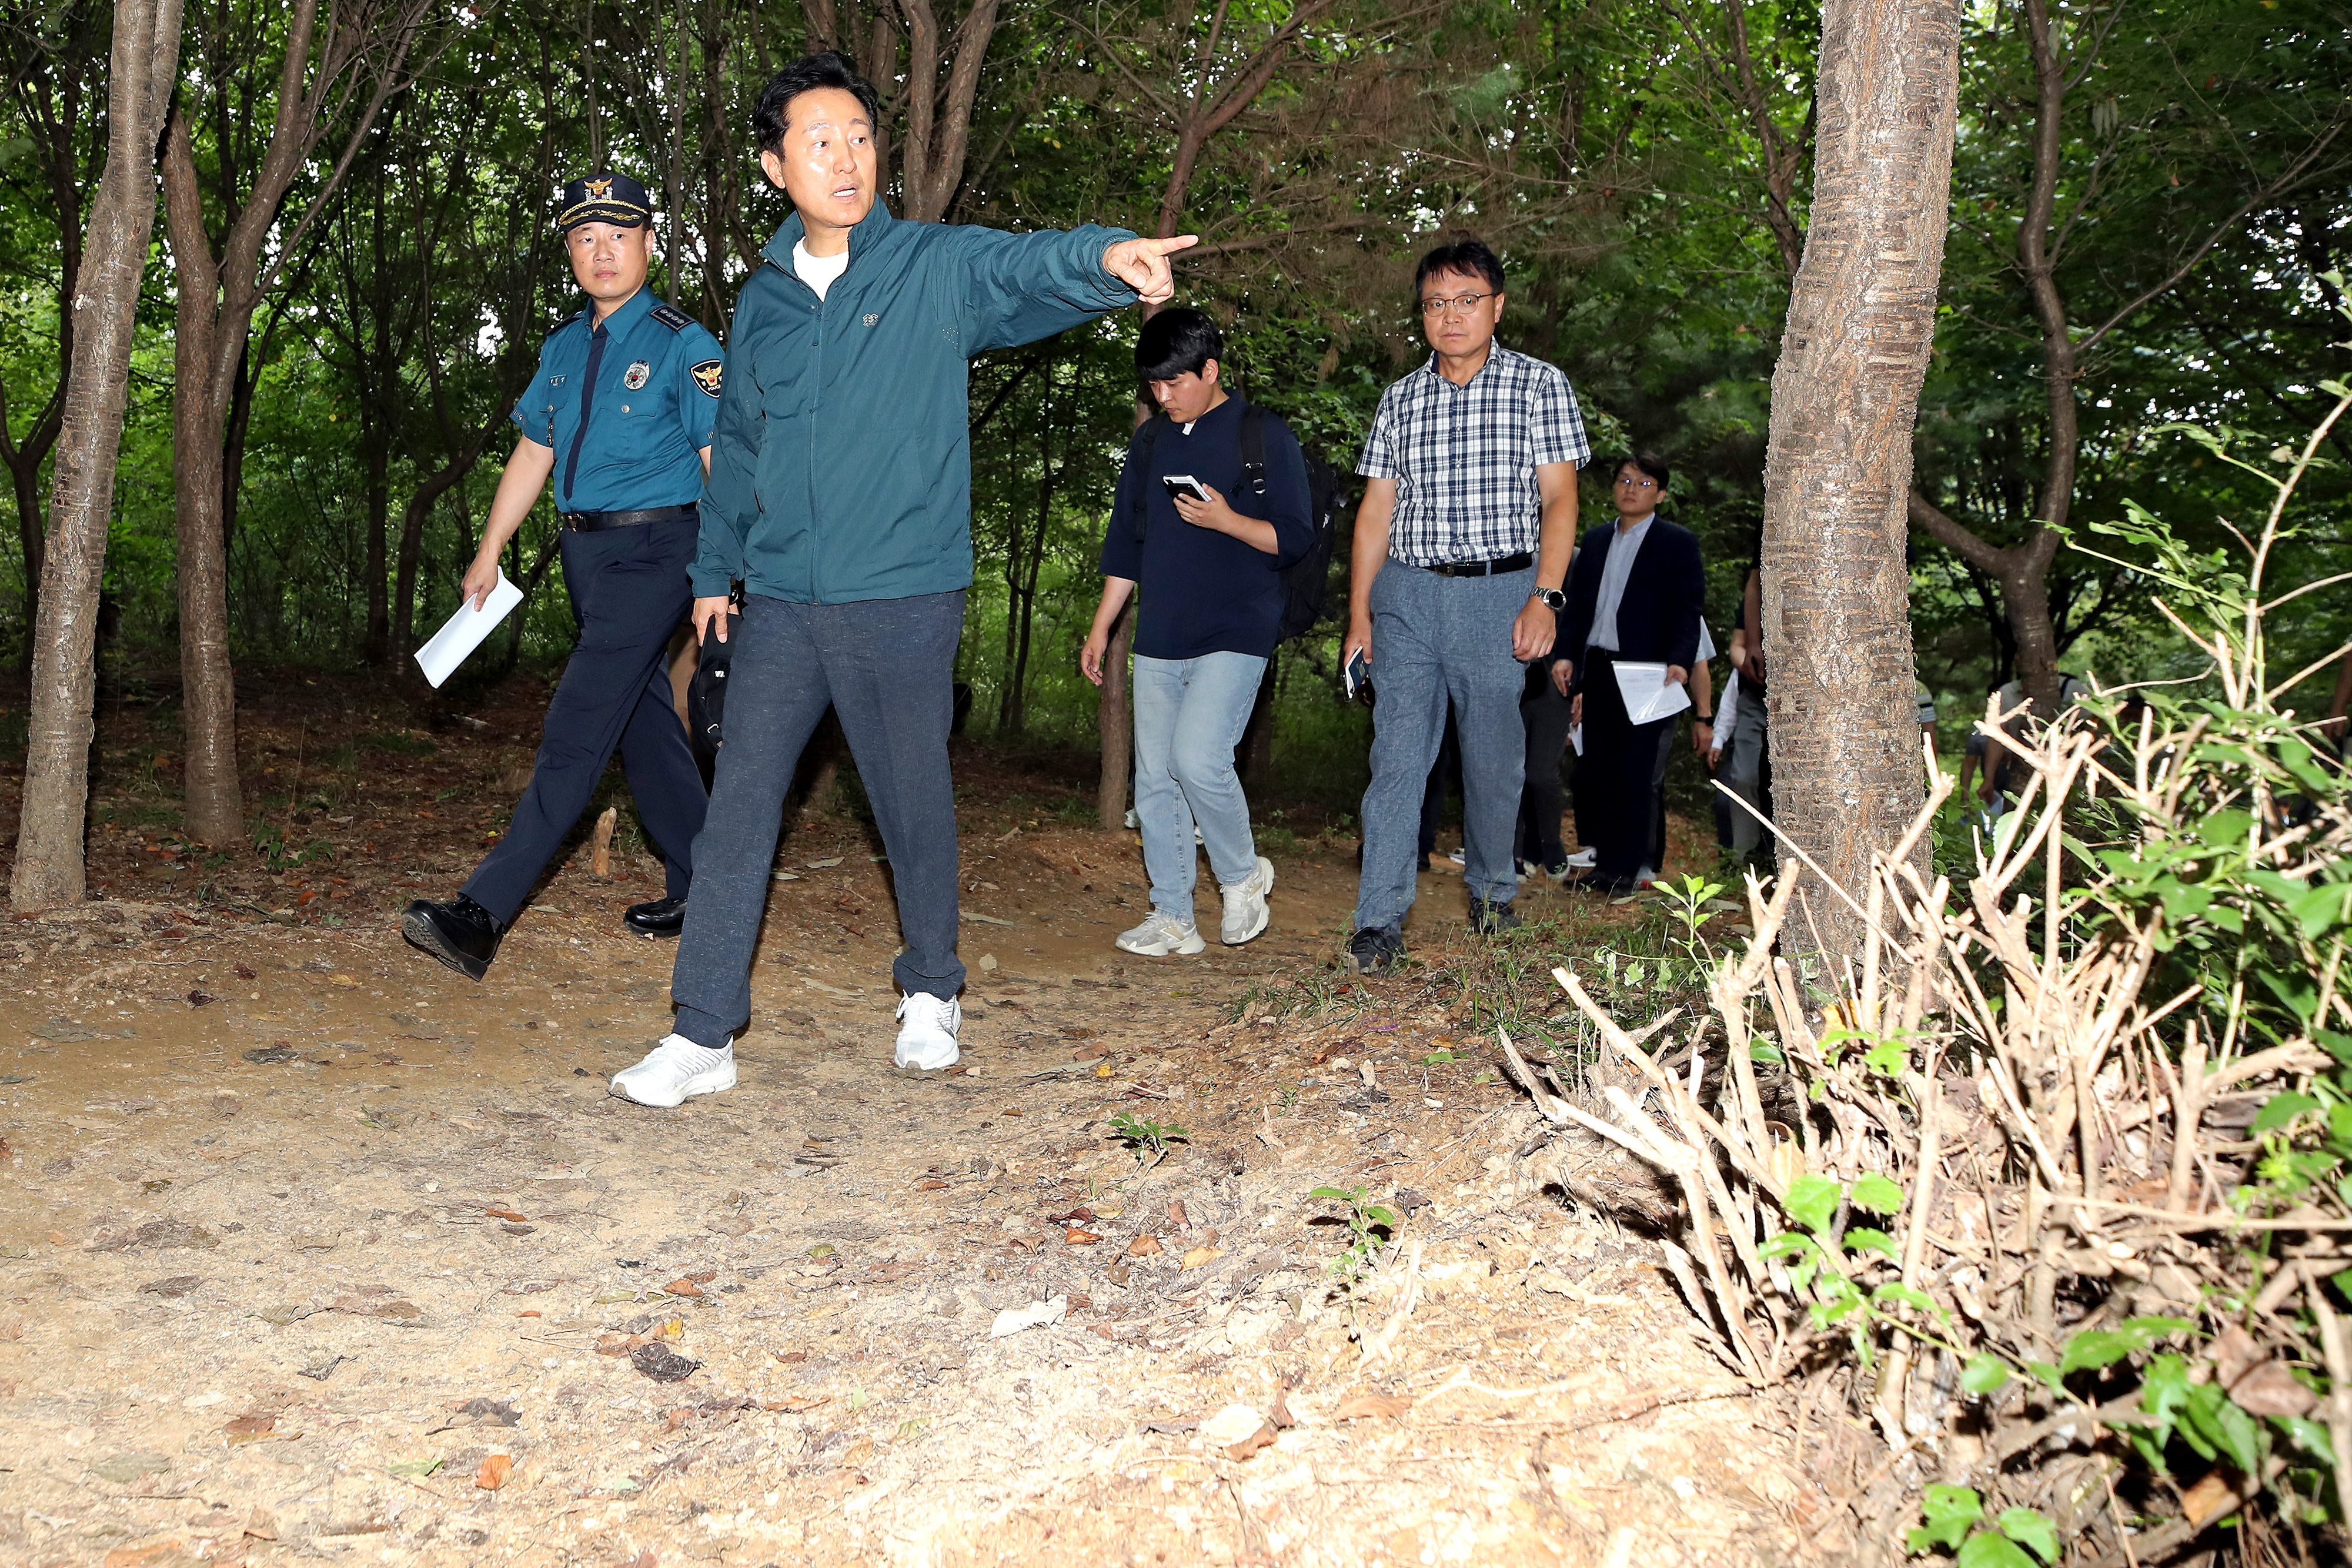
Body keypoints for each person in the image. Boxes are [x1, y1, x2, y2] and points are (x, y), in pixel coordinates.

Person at [606, 51, 1194, 1107]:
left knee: (910, 800)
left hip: (905, 592)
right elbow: (740, 445)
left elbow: (1023, 268)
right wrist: (714, 570)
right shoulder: (766, 305)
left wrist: (1110, 258)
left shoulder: (928, 267)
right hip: (782, 597)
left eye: (862, 137)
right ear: (779, 167)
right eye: (820, 141)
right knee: (738, 807)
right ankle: (703, 1032)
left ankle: (932, 989)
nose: (847, 157)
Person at [401, 173, 720, 981]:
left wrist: (727, 566)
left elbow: (725, 463)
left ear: (651, 243)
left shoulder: (686, 343)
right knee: (643, 723)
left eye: (618, 234)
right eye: (585, 237)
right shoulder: (563, 347)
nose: (602, 251)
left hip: (661, 548)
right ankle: (711, 888)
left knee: (577, 722)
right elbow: (534, 453)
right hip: (587, 553)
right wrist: (489, 547)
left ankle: (481, 912)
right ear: (571, 253)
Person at [1342, 238, 1588, 976]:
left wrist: (1545, 597)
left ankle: (1491, 894)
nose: (1451, 316)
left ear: (1497, 307)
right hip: (1408, 596)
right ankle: (1378, 922)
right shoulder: (1401, 397)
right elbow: (1375, 514)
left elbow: (1561, 500)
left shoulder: (1538, 385)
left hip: (1497, 594)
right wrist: (1360, 615)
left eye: (1467, 300)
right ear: (1422, 315)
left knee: (1493, 760)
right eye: (1436, 303)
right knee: (1397, 761)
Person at [1079, 309, 1314, 956]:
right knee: (1154, 779)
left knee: (1197, 759)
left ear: (1210, 371)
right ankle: (1173, 916)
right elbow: (1125, 544)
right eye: (1153, 386)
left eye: (1174, 383)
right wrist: (1102, 627)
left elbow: (1294, 538)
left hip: (1237, 629)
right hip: (1161, 632)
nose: (1162, 396)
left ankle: (1242, 877)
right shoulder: (1152, 441)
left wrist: (1227, 520)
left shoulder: (1262, 435)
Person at [1552, 453, 1703, 895]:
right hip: (1598, 665)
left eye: (1643, 482)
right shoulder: (1597, 540)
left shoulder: (1676, 542)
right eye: (1623, 479)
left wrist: (1679, 658)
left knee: (1634, 770)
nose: (1630, 488)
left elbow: (1687, 608)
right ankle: (1604, 864)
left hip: (1647, 670)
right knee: (1596, 766)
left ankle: (1627, 868)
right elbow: (1579, 606)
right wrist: (1567, 655)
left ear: (1660, 493)